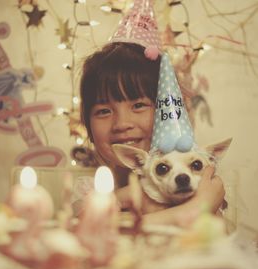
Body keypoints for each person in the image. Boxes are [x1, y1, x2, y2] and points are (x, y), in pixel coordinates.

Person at [77, 41, 225, 226]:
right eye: (104, 111)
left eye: (138, 105)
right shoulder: (88, 195)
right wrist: (193, 209)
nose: (122, 124)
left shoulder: (198, 183)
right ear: (88, 125)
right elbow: (85, 232)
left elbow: (223, 249)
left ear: (166, 112)